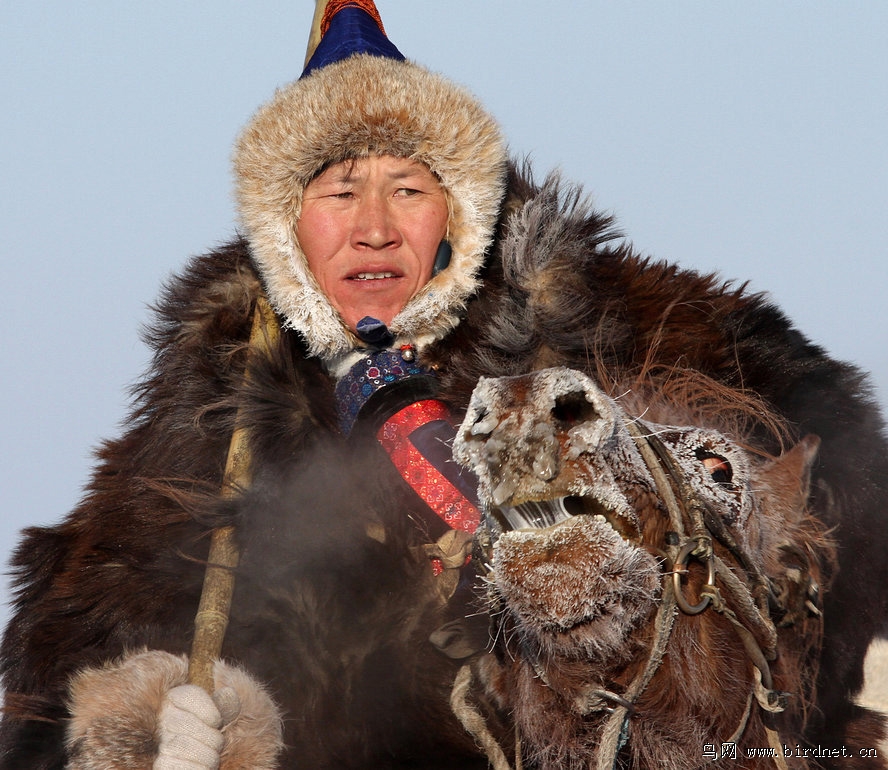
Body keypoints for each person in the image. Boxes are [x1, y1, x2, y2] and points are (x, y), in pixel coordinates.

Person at [2, 2, 886, 768]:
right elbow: (61, 655)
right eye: (340, 192)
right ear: (289, 228)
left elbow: (835, 450)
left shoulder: (616, 320)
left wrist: (850, 648)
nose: (375, 229)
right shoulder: (216, 411)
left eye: (409, 189)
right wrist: (134, 723)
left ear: (457, 215)